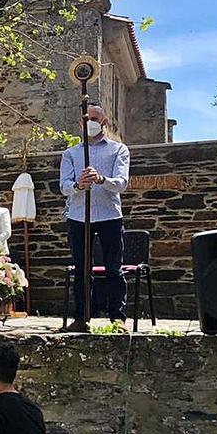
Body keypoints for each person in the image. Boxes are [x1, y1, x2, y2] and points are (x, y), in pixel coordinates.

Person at [59, 103, 130, 332]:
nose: (90, 122)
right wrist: (79, 185)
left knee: (113, 268)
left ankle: (117, 318)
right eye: (87, 118)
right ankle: (81, 318)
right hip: (79, 216)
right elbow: (64, 186)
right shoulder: (71, 153)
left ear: (104, 122)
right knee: (81, 269)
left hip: (109, 215)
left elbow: (122, 183)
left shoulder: (118, 150)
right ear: (80, 123)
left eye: (95, 118)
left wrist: (101, 179)